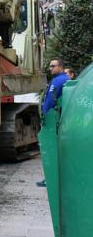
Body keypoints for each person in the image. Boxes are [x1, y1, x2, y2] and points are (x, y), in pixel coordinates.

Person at [37, 58, 70, 187]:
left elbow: (54, 102)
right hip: (53, 121)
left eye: (53, 66)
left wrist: (46, 117)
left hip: (53, 122)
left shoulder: (61, 81)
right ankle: (51, 177)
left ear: (60, 67)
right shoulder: (60, 80)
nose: (50, 68)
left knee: (52, 151)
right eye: (50, 66)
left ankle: (51, 179)